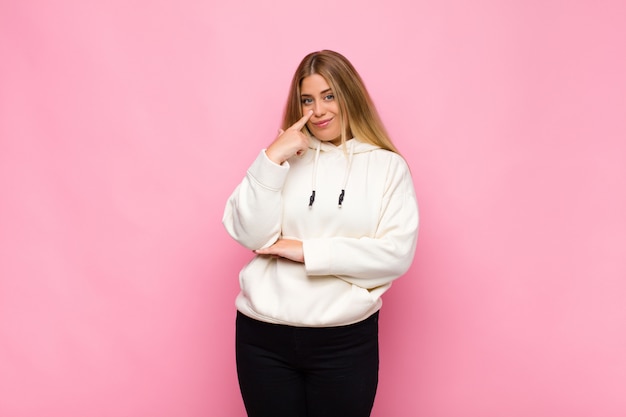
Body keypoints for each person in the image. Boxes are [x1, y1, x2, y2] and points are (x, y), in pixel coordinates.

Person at [222, 49, 419, 417]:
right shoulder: (283, 158)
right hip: (262, 337)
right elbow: (249, 234)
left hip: (343, 340)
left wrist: (307, 251)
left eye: (329, 96)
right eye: (307, 100)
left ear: (350, 96)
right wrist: (271, 158)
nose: (319, 111)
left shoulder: (387, 167)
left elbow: (395, 255)